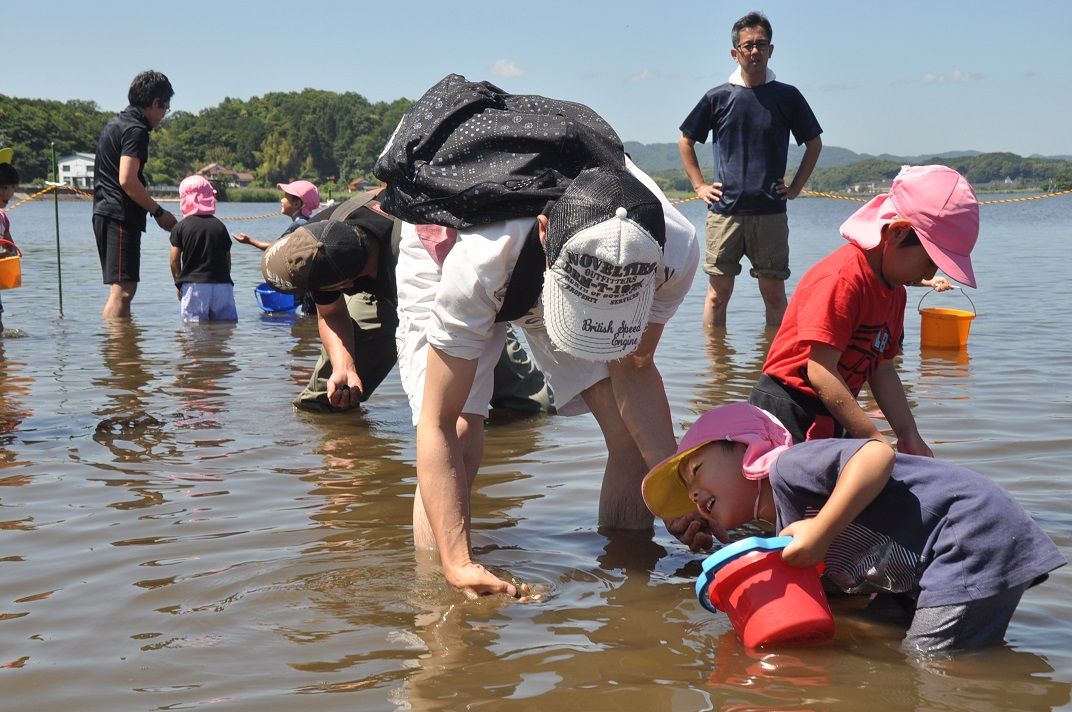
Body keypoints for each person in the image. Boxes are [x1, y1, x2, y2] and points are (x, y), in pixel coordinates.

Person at [390, 163, 698, 599]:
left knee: (629, 435)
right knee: (460, 433)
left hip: (550, 261)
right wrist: (458, 563)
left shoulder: (676, 252)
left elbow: (637, 365)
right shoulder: (479, 261)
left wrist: (676, 495)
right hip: (451, 240)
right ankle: (441, 592)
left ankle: (627, 581)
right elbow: (436, 421)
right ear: (543, 230)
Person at [640, 402, 1066, 653]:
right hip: (929, 568)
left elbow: (875, 456)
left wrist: (821, 532)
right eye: (689, 493)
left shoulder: (791, 467)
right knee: (875, 634)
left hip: (968, 536)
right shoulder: (788, 527)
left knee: (929, 663)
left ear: (746, 449)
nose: (695, 494)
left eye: (697, 471)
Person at [748, 165, 980, 452]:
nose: (931, 272)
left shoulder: (894, 293)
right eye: (930, 260)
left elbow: (881, 368)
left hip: (836, 408)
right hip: (786, 408)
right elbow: (820, 371)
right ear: (896, 233)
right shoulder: (843, 280)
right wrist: (872, 436)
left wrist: (909, 434)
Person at [260, 190, 554, 414]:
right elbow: (331, 311)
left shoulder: (419, 251)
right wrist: (344, 365)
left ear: (344, 284)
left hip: (452, 279)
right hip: (373, 281)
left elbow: (477, 311)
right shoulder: (318, 242)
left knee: (528, 404)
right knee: (329, 399)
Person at [678, 11, 823, 328]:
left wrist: (796, 187)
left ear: (771, 49)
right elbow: (686, 141)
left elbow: (814, 143)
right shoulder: (718, 97)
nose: (754, 51)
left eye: (761, 44)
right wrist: (699, 185)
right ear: (735, 52)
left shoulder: (787, 96)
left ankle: (775, 367)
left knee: (773, 294)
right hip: (724, 212)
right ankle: (718, 374)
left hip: (770, 212)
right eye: (747, 46)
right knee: (718, 295)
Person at [92, 70, 178, 319]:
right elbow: (127, 180)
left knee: (121, 290)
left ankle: (119, 351)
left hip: (106, 213)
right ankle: (121, 354)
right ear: (155, 103)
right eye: (165, 108)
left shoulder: (116, 123)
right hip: (119, 215)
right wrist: (158, 211)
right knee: (123, 292)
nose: (163, 115)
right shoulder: (135, 130)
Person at [234, 179, 320, 313]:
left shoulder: (298, 225)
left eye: (285, 197)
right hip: (311, 285)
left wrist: (250, 241)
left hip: (306, 288)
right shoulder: (307, 223)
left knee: (306, 318)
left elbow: (276, 249)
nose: (281, 200)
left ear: (297, 203)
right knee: (308, 323)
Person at [168, 176, 237, 322]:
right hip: (222, 285)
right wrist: (224, 278)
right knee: (224, 330)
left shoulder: (181, 226)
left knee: (194, 335)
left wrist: (179, 283)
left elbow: (174, 260)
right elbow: (227, 258)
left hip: (195, 288)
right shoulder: (220, 226)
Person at [0, 161, 20, 333]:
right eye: (11, 187)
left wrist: (9, 255)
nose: (12, 193)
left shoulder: (2, 219)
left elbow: (11, 248)